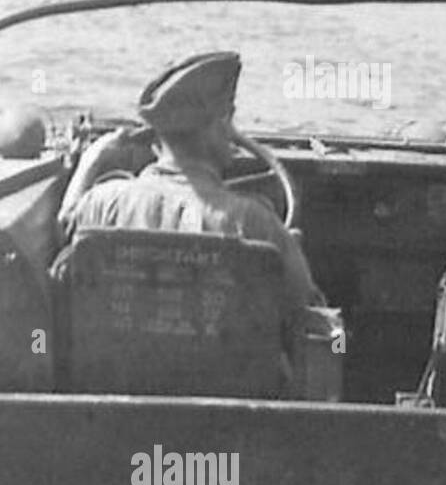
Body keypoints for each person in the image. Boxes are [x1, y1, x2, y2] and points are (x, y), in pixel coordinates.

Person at [57, 51, 323, 317]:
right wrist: (290, 248)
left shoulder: (103, 204)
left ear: (155, 137)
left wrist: (92, 159)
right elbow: (308, 309)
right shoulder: (257, 224)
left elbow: (65, 227)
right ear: (219, 126)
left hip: (110, 361)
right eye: (229, 119)